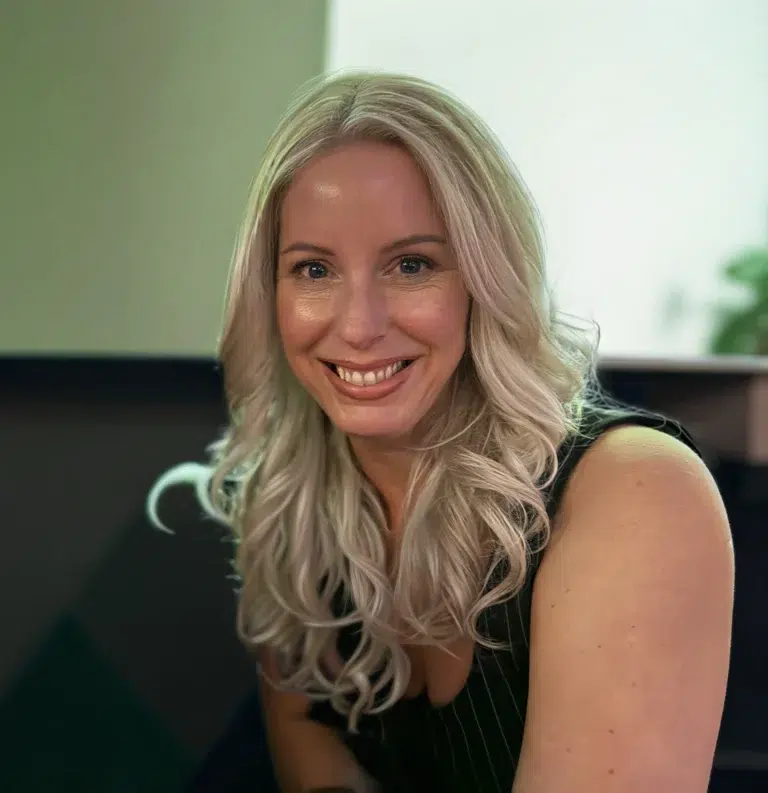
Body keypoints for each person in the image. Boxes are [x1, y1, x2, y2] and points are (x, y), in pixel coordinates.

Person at [148, 71, 734, 793]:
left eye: (412, 264)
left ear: (486, 278)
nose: (359, 326)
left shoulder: (636, 489)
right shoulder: (288, 502)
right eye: (314, 269)